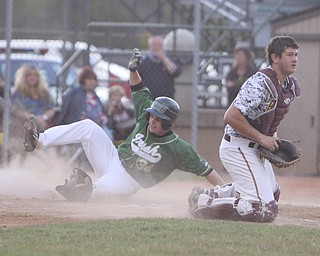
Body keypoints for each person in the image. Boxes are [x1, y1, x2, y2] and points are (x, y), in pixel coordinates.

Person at [22, 48, 224, 198]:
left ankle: (62, 194)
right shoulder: (147, 116)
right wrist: (133, 69)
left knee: (93, 190)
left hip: (128, 181)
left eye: (158, 119)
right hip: (112, 158)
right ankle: (39, 141)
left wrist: (224, 193)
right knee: (89, 127)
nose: (152, 120)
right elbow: (138, 87)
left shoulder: (178, 148)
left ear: (169, 123)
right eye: (152, 115)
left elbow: (207, 171)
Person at [189, 36, 300, 223]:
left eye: (296, 54)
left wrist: (271, 137)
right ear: (275, 58)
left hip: (255, 147)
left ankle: (216, 194)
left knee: (274, 193)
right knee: (263, 209)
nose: (295, 59)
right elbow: (230, 117)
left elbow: (265, 117)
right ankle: (203, 202)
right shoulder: (260, 83)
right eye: (289, 54)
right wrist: (262, 138)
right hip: (237, 146)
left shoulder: (288, 85)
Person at [10, 64, 59, 139]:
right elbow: (15, 110)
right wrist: (32, 119)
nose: (32, 77)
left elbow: (52, 109)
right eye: (29, 75)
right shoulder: (18, 92)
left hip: (41, 124)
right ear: (24, 77)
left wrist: (44, 118)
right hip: (24, 124)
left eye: (35, 75)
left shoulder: (44, 92)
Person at [137, 35, 182, 99]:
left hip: (166, 98)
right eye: (154, 45)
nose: (157, 47)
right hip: (148, 98)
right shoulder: (143, 61)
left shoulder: (170, 59)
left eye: (160, 45)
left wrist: (163, 59)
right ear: (150, 46)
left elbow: (176, 73)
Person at [222, 42, 257, 107]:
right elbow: (230, 89)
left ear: (247, 56)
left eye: (241, 54)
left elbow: (250, 91)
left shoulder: (252, 72)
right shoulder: (231, 73)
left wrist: (235, 85)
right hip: (232, 107)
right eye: (237, 54)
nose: (239, 57)